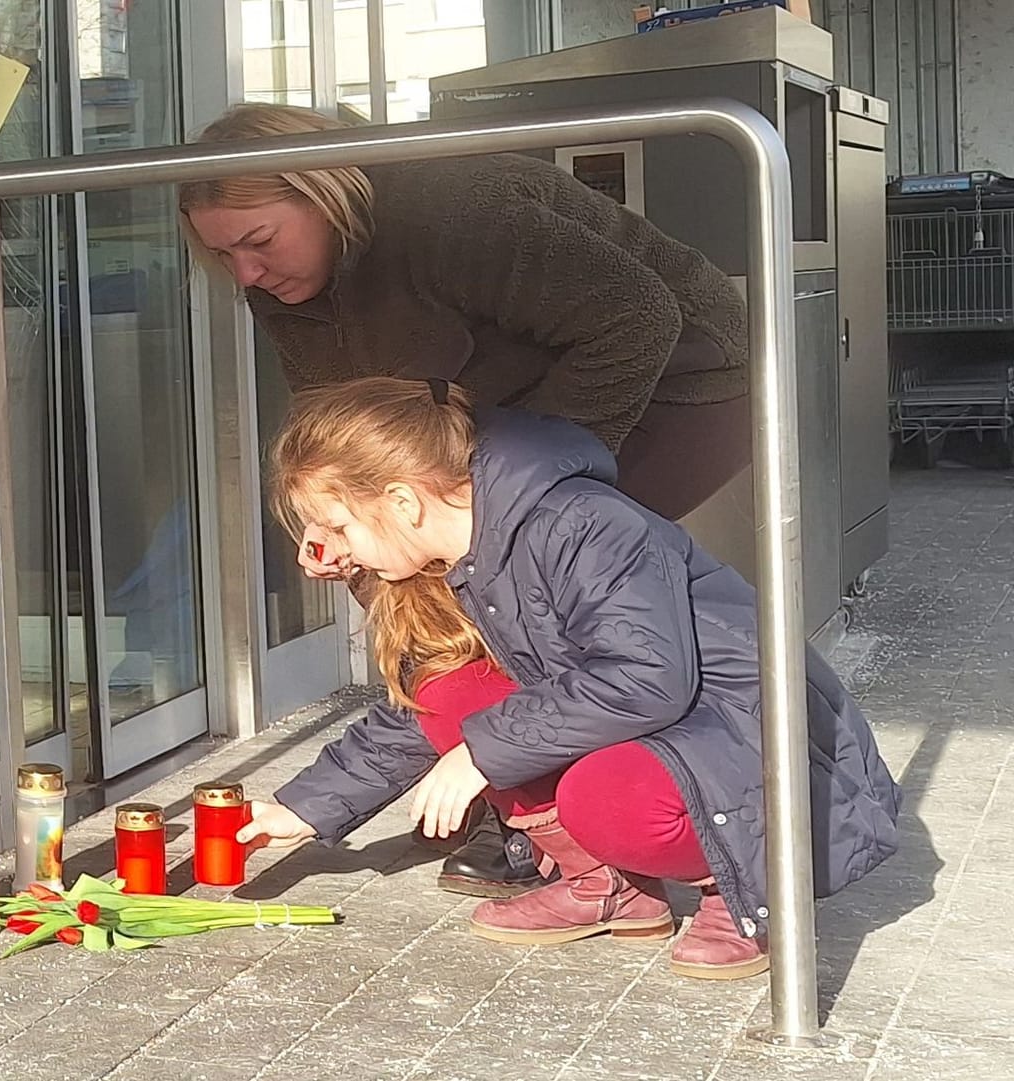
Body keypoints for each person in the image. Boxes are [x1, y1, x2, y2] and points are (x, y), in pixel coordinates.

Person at [180, 102, 755, 897]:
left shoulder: (454, 213)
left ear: (327, 191)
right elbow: (345, 429)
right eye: (223, 255)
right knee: (399, 557)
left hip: (679, 376)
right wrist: (333, 522)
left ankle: (592, 810)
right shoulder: (280, 280)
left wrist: (520, 495)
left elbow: (636, 318)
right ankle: (507, 789)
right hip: (496, 401)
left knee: (529, 584)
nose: (246, 274)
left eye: (259, 241)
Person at [234, 377, 900, 980]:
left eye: (337, 525)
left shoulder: (578, 523)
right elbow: (418, 710)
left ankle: (742, 887)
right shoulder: (456, 553)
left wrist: (482, 753)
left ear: (404, 501)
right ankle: (606, 882)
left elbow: (649, 675)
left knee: (603, 797)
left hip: (753, 738)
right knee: (445, 691)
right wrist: (304, 807)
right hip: (670, 726)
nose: (325, 550)